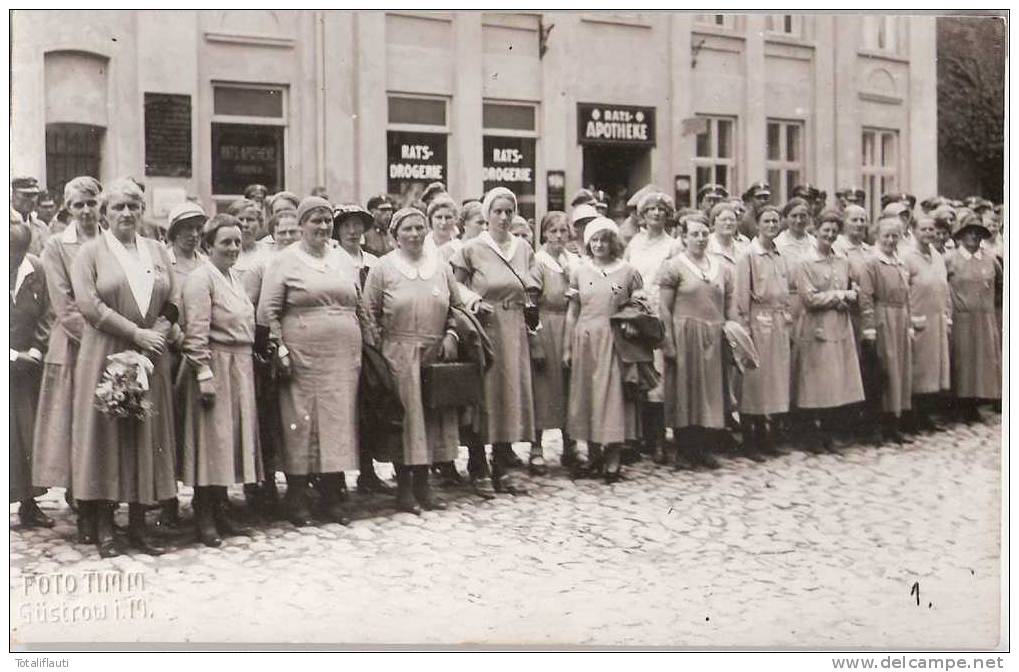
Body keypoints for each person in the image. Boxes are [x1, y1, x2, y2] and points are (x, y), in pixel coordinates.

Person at [70, 178, 178, 557]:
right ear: (105, 214)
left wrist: (157, 334)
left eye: (133, 206)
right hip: (107, 352)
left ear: (142, 211)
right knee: (106, 435)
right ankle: (104, 527)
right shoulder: (91, 252)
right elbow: (89, 306)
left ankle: (138, 525)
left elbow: (173, 300)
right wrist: (136, 332)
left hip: (151, 356)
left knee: (145, 435)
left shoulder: (157, 250)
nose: (127, 213)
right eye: (118, 207)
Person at [257, 197, 366, 526]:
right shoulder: (285, 261)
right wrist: (280, 349)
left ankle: (332, 495)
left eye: (326, 221)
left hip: (343, 357)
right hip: (301, 356)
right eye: (315, 221)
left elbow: (358, 305)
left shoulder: (342, 260)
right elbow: (268, 311)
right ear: (302, 224)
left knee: (337, 421)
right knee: (300, 423)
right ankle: (297, 497)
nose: (322, 227)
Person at [363, 207, 463, 514]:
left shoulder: (441, 266)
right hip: (398, 353)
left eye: (420, 228)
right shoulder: (383, 267)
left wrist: (451, 336)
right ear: (394, 235)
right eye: (407, 229)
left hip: (435, 353)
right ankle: (404, 489)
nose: (415, 234)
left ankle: (425, 485)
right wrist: (379, 352)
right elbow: (368, 313)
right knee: (406, 422)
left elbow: (457, 308)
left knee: (432, 421)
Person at [179, 215, 262, 547]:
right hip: (215, 362)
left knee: (228, 441)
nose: (233, 248)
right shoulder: (202, 278)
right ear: (208, 245)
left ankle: (221, 509)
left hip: (239, 363)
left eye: (237, 242)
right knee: (211, 441)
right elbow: (195, 330)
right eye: (225, 242)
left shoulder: (232, 276)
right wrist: (203, 372)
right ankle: (205, 516)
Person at [451, 187, 537, 496]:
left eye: (508, 211)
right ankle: (477, 464)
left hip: (513, 327)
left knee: (510, 393)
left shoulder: (523, 248)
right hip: (484, 327)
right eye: (497, 211)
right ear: (486, 215)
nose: (503, 217)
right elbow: (455, 286)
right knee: (484, 394)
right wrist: (473, 299)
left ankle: (503, 460)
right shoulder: (471, 248)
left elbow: (531, 285)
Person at [32, 176, 102, 534]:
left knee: (103, 425)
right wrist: (96, 343)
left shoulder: (111, 242)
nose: (87, 211)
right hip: (75, 347)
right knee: (77, 425)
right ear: (68, 209)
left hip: (110, 343)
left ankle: (102, 502)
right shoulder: (57, 246)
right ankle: (83, 507)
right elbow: (63, 303)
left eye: (92, 203)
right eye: (79, 205)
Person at [562, 217, 643, 483]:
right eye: (594, 240)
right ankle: (594, 455)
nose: (598, 245)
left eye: (604, 240)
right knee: (587, 396)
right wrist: (567, 347)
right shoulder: (580, 271)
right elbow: (573, 311)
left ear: (613, 243)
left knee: (612, 397)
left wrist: (632, 323)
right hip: (585, 337)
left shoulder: (628, 271)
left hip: (614, 339)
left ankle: (613, 460)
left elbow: (640, 306)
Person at [658, 215, 735, 469]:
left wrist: (730, 331)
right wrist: (668, 340)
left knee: (709, 392)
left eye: (704, 233)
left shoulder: (720, 266)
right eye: (694, 234)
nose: (700, 239)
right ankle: (683, 449)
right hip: (685, 335)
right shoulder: (673, 266)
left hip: (713, 335)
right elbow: (665, 308)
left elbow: (728, 302)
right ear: (683, 237)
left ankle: (702, 448)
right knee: (685, 391)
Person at [242, 208, 302, 516]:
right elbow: (248, 306)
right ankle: (261, 487)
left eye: (294, 232)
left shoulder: (305, 262)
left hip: (302, 349)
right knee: (267, 419)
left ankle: (300, 484)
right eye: (283, 232)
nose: (289, 238)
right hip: (267, 349)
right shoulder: (262, 265)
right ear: (273, 235)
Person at [791, 210, 865, 452]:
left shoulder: (842, 260)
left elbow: (850, 287)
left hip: (839, 323)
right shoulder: (805, 261)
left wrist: (847, 297)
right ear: (816, 230)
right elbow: (809, 298)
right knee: (816, 380)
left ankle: (830, 432)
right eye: (826, 230)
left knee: (836, 379)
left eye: (834, 231)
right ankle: (811, 434)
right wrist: (840, 296)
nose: (830, 235)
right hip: (816, 326)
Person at [333, 204, 392, 496]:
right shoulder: (333, 259)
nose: (353, 231)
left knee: (369, 405)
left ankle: (367, 471)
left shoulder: (373, 261)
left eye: (357, 225)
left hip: (371, 339)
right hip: (343, 341)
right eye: (346, 226)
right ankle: (337, 476)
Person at [734, 205, 792, 457]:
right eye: (766, 221)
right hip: (757, 321)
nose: (771, 225)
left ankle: (767, 436)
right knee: (753, 383)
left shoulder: (780, 255)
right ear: (757, 225)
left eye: (775, 221)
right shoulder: (748, 255)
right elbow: (741, 295)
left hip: (777, 320)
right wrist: (746, 329)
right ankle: (750, 439)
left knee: (773, 381)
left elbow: (785, 290)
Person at [622, 191, 676, 462]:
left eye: (661, 209)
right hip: (637, 310)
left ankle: (658, 440)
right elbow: (627, 277)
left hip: (661, 310)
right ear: (642, 215)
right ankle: (637, 437)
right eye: (651, 209)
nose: (656, 214)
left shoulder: (673, 245)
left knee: (659, 373)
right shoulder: (634, 244)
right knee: (638, 370)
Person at [10, 219, 54, 528]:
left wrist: (37, 349)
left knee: (26, 435)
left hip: (28, 369)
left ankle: (29, 502)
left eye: (19, 252)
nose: (13, 258)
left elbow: (48, 313)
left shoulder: (36, 269)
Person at [857, 217, 915, 444]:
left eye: (895, 236)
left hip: (900, 318)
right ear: (877, 237)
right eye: (886, 236)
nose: (891, 240)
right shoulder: (871, 263)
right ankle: (877, 426)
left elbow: (907, 296)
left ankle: (894, 423)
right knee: (883, 372)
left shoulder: (900, 262)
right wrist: (869, 328)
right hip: (883, 319)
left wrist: (909, 323)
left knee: (900, 372)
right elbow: (866, 297)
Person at [529, 211, 579, 473]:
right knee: (544, 387)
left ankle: (569, 445)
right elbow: (532, 304)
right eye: (553, 231)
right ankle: (536, 448)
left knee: (569, 386)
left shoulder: (575, 261)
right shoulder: (539, 261)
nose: (559, 236)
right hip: (547, 324)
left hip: (571, 325)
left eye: (563, 230)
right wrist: (535, 338)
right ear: (544, 234)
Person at [945, 212, 1002, 422]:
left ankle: (976, 404)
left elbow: (1001, 285)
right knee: (962, 360)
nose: (974, 237)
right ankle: (959, 405)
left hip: (984, 317)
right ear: (961, 235)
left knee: (982, 361)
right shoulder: (950, 260)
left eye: (978, 233)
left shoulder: (991, 260)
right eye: (969, 233)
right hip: (961, 318)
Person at [902, 216, 952, 431]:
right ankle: (911, 417)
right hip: (918, 318)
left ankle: (926, 414)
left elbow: (944, 288)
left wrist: (948, 316)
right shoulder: (907, 257)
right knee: (917, 369)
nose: (928, 233)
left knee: (933, 370)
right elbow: (902, 291)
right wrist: (910, 319)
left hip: (937, 319)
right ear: (914, 231)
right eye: (923, 229)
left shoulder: (938, 256)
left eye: (931, 229)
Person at [229, 198, 269, 282]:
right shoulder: (224, 252)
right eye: (240, 219)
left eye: (250, 220)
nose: (245, 224)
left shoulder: (268, 251)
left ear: (260, 223)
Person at [11, 176, 49, 255]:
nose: (32, 200)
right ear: (13, 195)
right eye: (26, 195)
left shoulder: (41, 227)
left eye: (34, 195)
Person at [424, 195, 463, 261]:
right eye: (439, 217)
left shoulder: (460, 248)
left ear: (455, 219)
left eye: (448, 217)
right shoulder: (422, 245)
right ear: (430, 219)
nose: (443, 222)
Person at [364, 194, 396, 258]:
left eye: (390, 210)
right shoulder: (365, 233)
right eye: (383, 210)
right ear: (372, 211)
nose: (388, 214)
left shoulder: (393, 233)